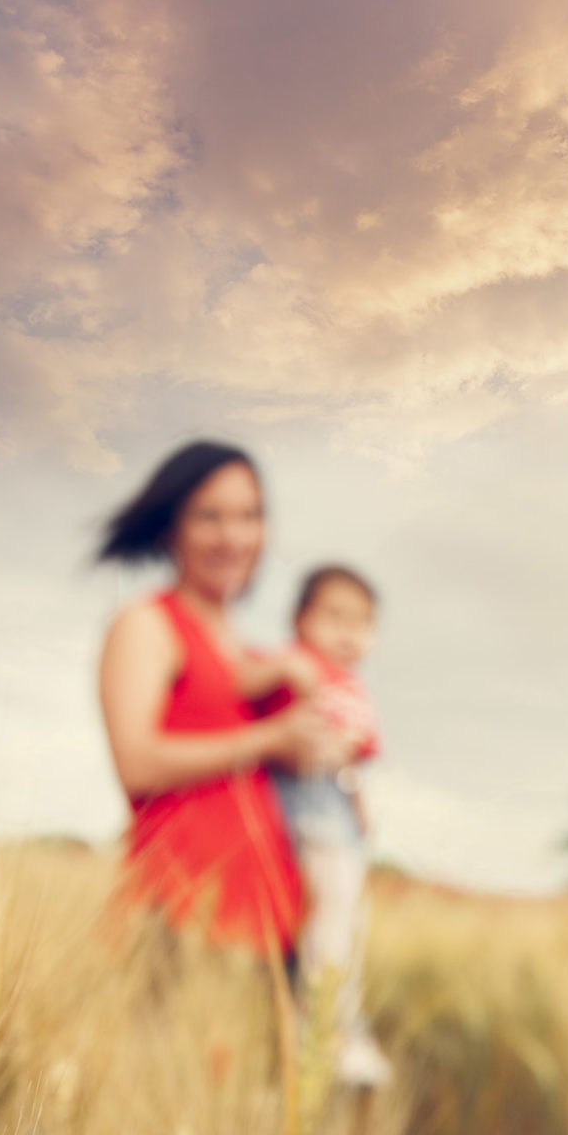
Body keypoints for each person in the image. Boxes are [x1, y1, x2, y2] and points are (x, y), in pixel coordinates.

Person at [96, 440, 351, 957]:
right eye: (209, 517)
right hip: (179, 919)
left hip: (271, 931)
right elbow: (135, 763)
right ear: (172, 528)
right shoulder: (147, 622)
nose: (232, 537)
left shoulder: (255, 655)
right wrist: (271, 738)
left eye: (249, 516)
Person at [264, 564, 392, 1087]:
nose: (347, 633)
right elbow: (243, 678)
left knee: (340, 916)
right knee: (328, 915)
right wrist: (286, 673)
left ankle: (330, 1024)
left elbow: (354, 755)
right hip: (299, 797)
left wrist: (356, 800)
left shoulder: (352, 686)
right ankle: (328, 1025)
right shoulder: (295, 663)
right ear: (300, 619)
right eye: (333, 617)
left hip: (333, 801)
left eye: (361, 622)